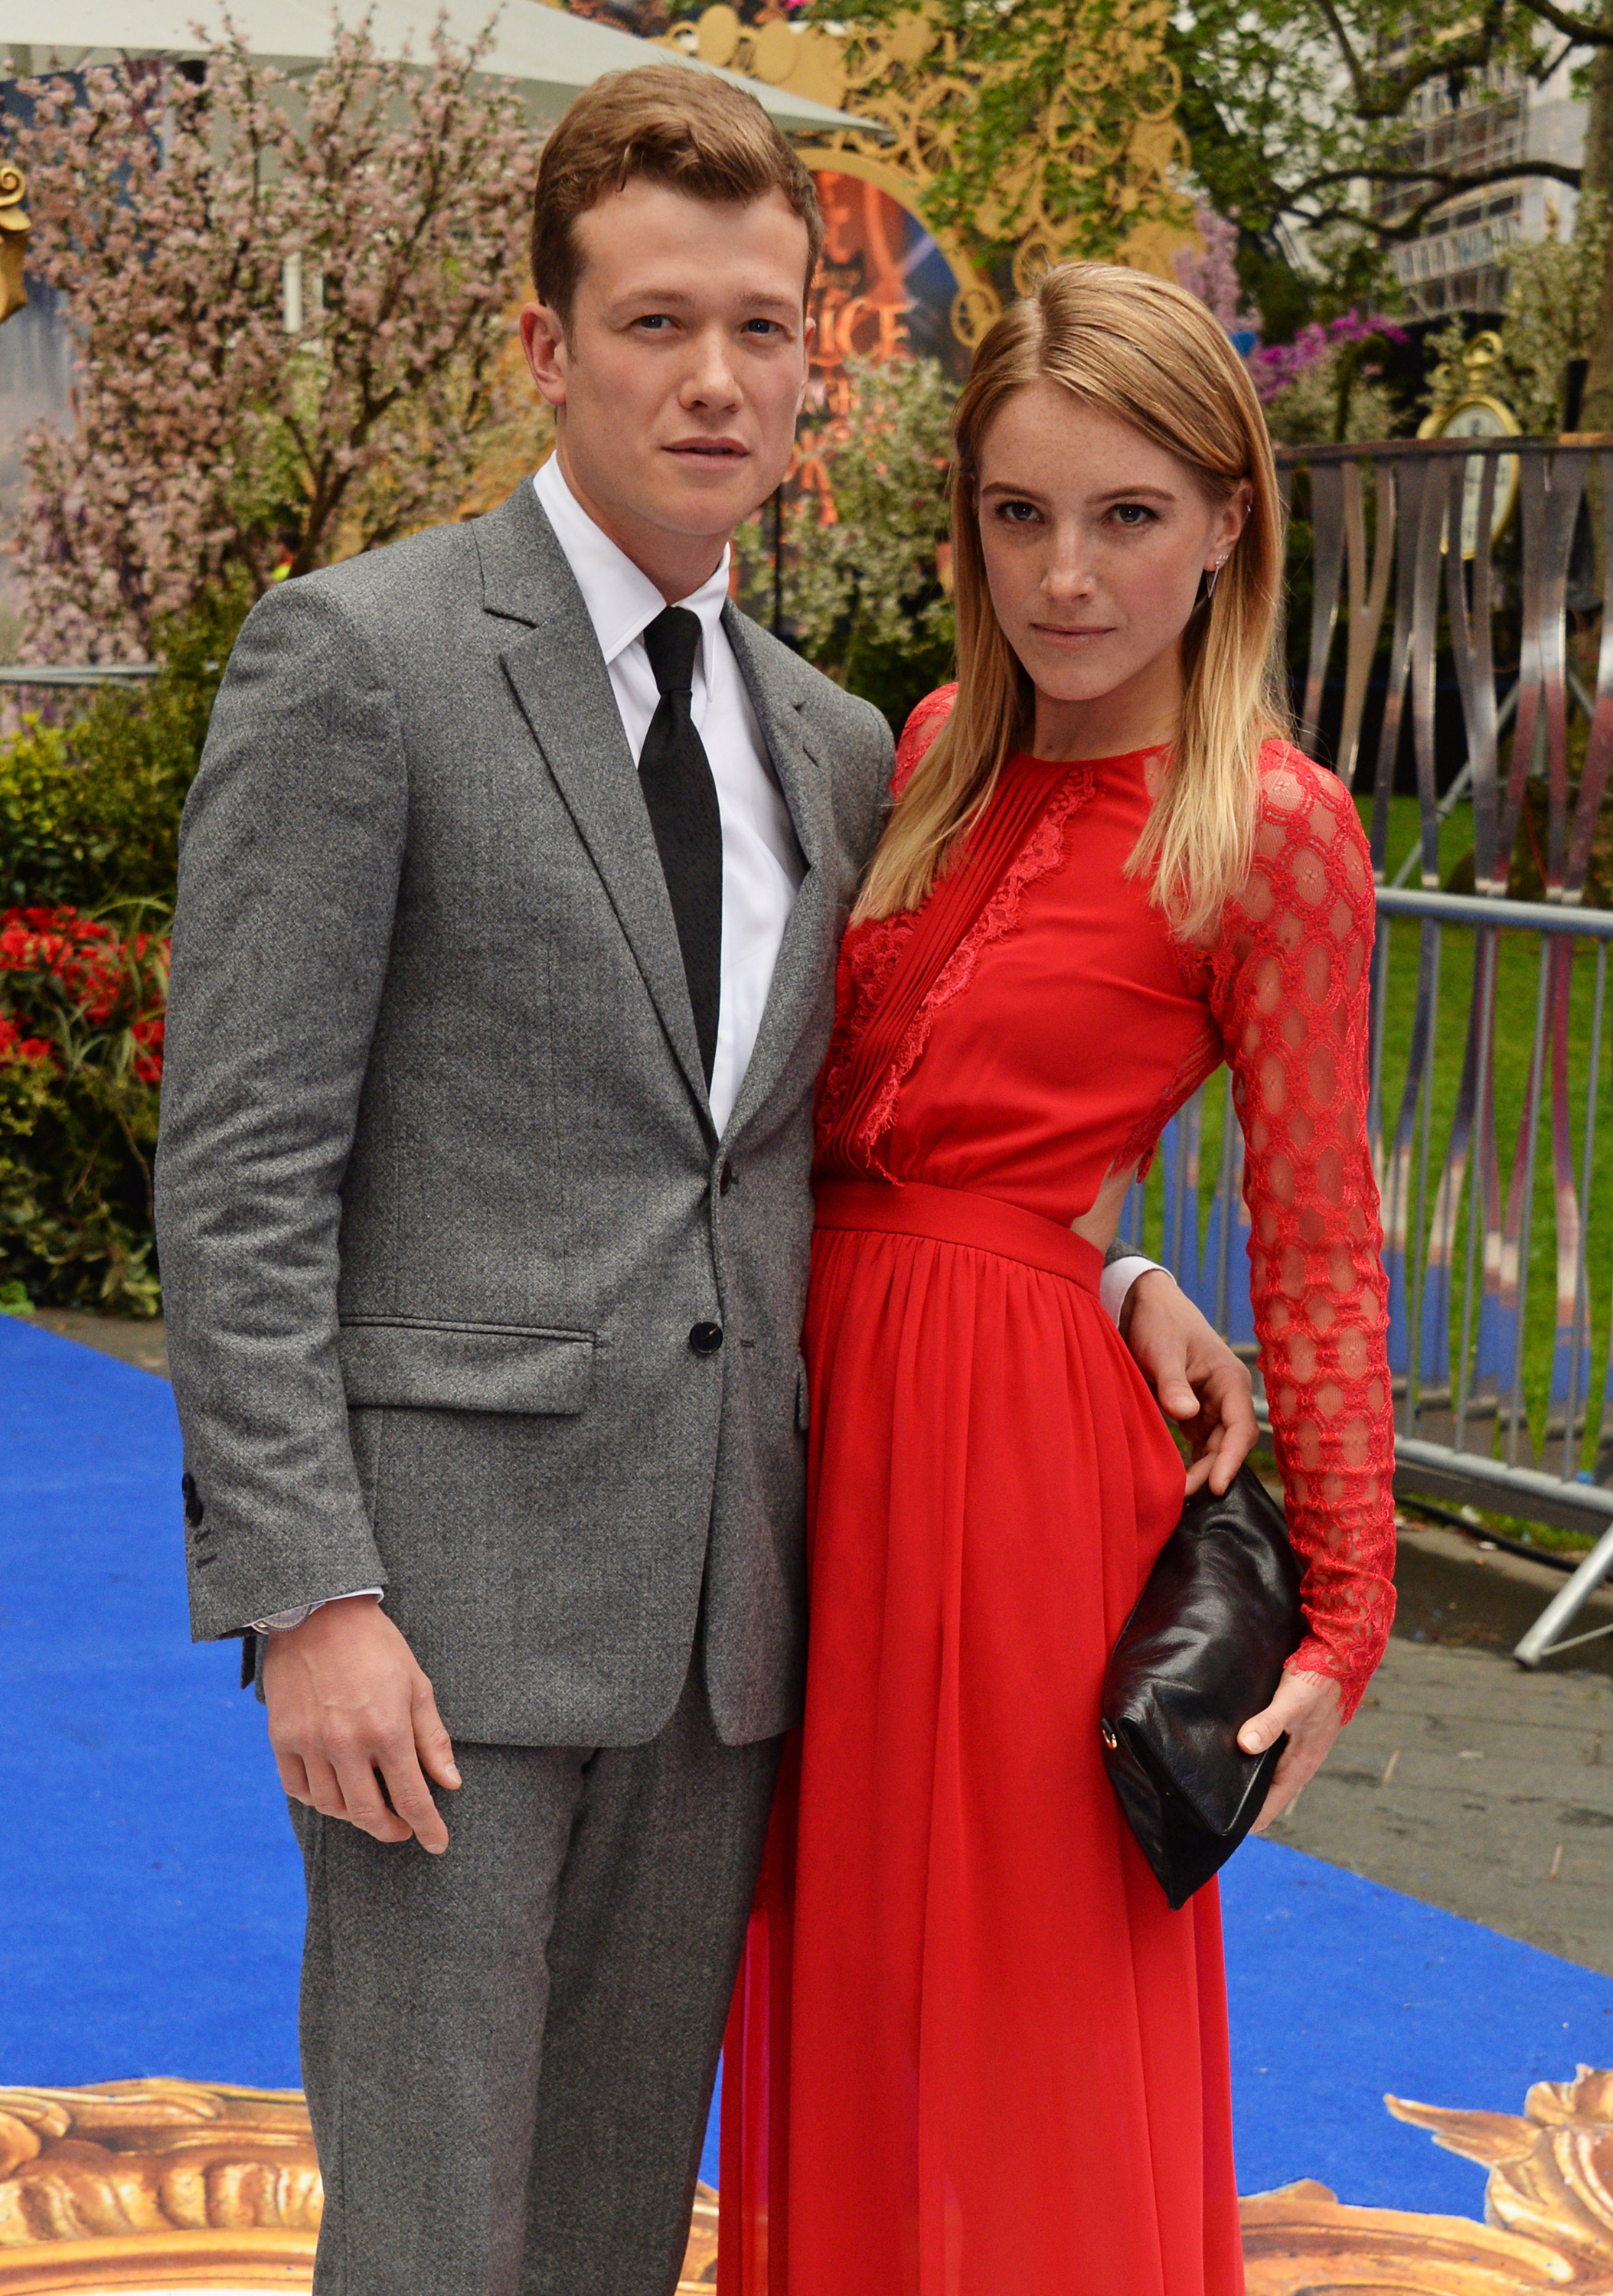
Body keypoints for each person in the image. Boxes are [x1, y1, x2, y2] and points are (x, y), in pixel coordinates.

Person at [155, 76, 1258, 2296]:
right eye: (658, 322)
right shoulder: (363, 664)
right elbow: (245, 1163)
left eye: (766, 328)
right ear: (544, 349)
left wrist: (1104, 1266)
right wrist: (306, 1593)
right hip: (440, 1615)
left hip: (745, 1632)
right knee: (437, 2232)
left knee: (603, 2231)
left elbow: (852, 1132)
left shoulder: (841, 746)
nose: (718, 376)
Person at [718, 261, 1396, 2296]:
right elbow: (869, 1133)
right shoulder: (927, 745)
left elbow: (1319, 1234)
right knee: (836, 1972)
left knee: (1016, 2012)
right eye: (1019, 515)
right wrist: (1112, 1273)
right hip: (807, 1430)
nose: (1067, 579)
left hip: (1012, 1488)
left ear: (1224, 523)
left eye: (1123, 518)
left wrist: (1345, 1615)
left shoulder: (1273, 829)